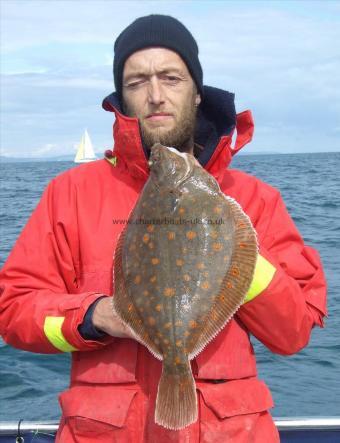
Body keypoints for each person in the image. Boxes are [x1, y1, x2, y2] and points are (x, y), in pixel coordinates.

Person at [0, 14, 327, 443]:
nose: (155, 95)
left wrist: (242, 260)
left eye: (171, 77)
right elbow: (12, 311)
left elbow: (294, 333)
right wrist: (97, 316)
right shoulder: (71, 193)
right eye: (137, 82)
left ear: (195, 92)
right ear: (122, 98)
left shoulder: (254, 199)